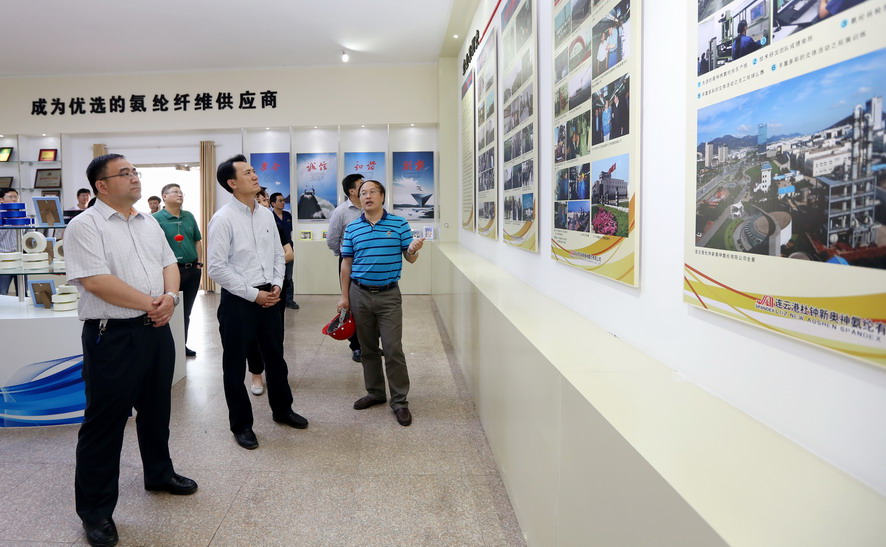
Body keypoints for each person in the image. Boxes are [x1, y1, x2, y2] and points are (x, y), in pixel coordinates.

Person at [65, 154, 197, 547]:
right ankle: (96, 512)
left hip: (155, 331)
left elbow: (169, 264)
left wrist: (170, 297)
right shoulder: (84, 225)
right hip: (113, 336)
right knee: (104, 424)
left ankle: (159, 473)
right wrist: (152, 303)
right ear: (102, 185)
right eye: (124, 173)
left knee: (156, 410)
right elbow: (96, 281)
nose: (134, 178)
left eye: (134, 172)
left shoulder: (147, 222)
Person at [208, 154, 307, 450]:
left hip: (270, 296)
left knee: (275, 357)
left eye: (254, 171)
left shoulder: (265, 215)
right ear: (232, 183)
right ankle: (241, 425)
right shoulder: (223, 219)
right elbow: (216, 268)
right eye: (248, 172)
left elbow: (278, 253)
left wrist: (277, 285)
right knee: (235, 364)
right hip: (239, 300)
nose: (255, 176)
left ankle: (283, 410)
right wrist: (254, 294)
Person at [337, 180, 424, 427]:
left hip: (388, 295)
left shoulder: (398, 223)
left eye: (372, 192)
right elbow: (346, 264)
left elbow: (410, 258)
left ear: (382, 196)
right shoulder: (353, 228)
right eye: (363, 193)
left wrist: (413, 249)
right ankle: (375, 392)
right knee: (367, 348)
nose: (367, 196)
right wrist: (344, 297)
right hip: (359, 294)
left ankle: (400, 401)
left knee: (393, 348)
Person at [154, 183, 202, 357]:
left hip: (192, 270)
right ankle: (166, 348)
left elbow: (197, 240)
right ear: (164, 196)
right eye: (175, 192)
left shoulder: (189, 216)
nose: (180, 194)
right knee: (168, 310)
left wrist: (199, 263)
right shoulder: (156, 219)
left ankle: (182, 345)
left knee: (186, 311)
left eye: (181, 192)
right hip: (170, 272)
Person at [326, 174, 365, 363]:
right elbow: (332, 239)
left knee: (369, 304)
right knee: (352, 303)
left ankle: (370, 344)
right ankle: (356, 346)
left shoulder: (373, 207)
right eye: (361, 185)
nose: (366, 188)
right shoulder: (341, 211)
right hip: (349, 261)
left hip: (370, 261)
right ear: (352, 191)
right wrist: (343, 254)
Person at [270, 192, 298, 310]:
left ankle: (289, 300)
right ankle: (277, 299)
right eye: (280, 201)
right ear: (273, 203)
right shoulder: (270, 217)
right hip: (275, 252)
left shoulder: (287, 215)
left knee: (289, 277)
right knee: (277, 277)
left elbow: (289, 232)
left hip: (288, 250)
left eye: (283, 200)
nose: (283, 202)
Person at [0, 189, 20, 296]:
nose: (14, 199)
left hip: (20, 258)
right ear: (1, 200)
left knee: (22, 292)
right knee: (2, 292)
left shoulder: (22, 217)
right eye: (10, 197)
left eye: (15, 197)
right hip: (3, 260)